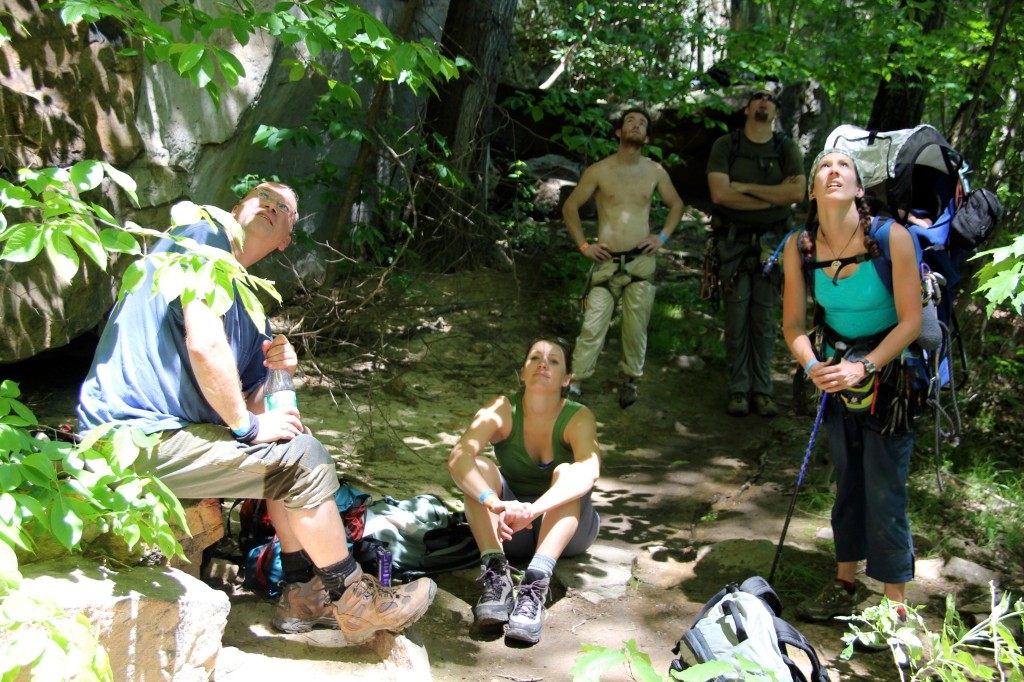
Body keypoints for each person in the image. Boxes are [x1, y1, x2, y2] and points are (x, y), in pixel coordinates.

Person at [76, 182, 435, 645]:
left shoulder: (250, 307)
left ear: (286, 237)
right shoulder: (200, 239)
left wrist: (276, 376)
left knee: (292, 450)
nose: (271, 205)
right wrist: (250, 425)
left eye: (284, 207)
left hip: (169, 440)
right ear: (233, 209)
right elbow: (205, 347)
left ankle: (303, 591)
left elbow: (257, 415)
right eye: (260, 197)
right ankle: (352, 599)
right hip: (129, 438)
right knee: (302, 459)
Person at [781, 150, 921, 633]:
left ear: (860, 189)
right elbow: (794, 324)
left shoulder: (891, 239)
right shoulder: (798, 248)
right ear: (812, 189)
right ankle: (844, 585)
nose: (834, 170)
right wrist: (814, 366)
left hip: (893, 373)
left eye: (844, 166)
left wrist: (866, 365)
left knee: (886, 484)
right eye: (824, 166)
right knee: (848, 479)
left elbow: (912, 321)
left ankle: (894, 604)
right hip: (837, 370)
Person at [447, 337, 601, 645]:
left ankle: (535, 585)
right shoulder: (502, 408)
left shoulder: (577, 415)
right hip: (509, 529)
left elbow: (589, 471)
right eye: (535, 358)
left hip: (565, 531)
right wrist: (494, 503)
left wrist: (534, 509)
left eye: (554, 361)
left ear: (566, 378)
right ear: (522, 372)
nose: (543, 364)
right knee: (479, 468)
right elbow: (459, 457)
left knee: (567, 472)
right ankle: (496, 573)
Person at [563, 108, 684, 408]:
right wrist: (583, 246)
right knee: (593, 324)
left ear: (647, 137)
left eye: (642, 123)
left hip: (640, 262)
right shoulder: (599, 170)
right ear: (618, 132)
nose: (636, 125)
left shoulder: (655, 171)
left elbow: (677, 205)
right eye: (630, 121)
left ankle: (630, 379)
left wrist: (662, 237)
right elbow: (570, 207)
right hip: (605, 262)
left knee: (635, 326)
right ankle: (575, 382)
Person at [707, 88, 806, 417]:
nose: (764, 101)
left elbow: (796, 191)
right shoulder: (727, 145)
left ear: (775, 110)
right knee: (736, 317)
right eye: (758, 96)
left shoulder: (785, 148)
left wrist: (747, 188)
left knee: (763, 319)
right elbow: (720, 194)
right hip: (732, 244)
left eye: (771, 98)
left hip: (772, 246)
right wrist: (772, 198)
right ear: (748, 107)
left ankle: (762, 391)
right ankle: (738, 389)